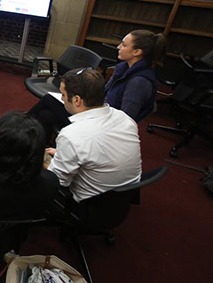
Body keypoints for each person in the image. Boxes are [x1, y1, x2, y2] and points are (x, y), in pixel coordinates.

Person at [28, 30, 166, 143]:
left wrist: (86, 112)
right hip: (96, 113)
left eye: (123, 45)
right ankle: (37, 148)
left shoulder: (139, 82)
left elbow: (124, 121)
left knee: (48, 100)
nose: (118, 47)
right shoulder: (123, 69)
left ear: (137, 52)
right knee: (45, 115)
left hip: (101, 127)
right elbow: (103, 95)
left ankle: (19, 129)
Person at [45, 68, 142, 205]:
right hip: (119, 200)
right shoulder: (125, 119)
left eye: (63, 95)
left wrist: (44, 160)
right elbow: (101, 150)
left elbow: (58, 181)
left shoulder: (71, 135)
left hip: (88, 205)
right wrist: (63, 154)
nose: (62, 99)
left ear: (77, 100)